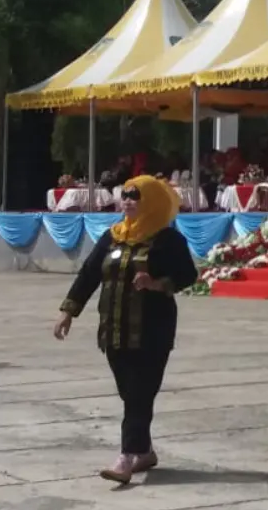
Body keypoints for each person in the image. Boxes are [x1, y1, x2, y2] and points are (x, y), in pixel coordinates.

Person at [53, 175, 196, 484]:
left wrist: (157, 284)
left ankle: (126, 458)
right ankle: (144, 452)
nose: (127, 200)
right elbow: (90, 273)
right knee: (129, 392)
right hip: (114, 329)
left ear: (153, 201)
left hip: (152, 331)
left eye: (136, 196)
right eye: (125, 195)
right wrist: (68, 312)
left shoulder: (168, 240)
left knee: (138, 395)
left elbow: (188, 275)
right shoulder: (112, 237)